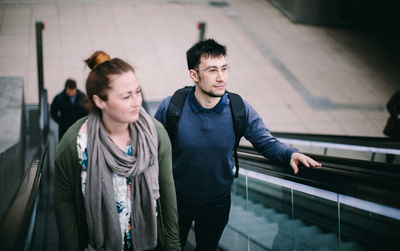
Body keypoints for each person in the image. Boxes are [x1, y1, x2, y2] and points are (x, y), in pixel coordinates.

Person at [154, 39, 322, 250]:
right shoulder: (172, 107)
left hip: (217, 202)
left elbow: (265, 141)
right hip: (176, 200)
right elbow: (152, 148)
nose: (221, 77)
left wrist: (290, 154)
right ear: (194, 75)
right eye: (212, 70)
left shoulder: (238, 109)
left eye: (224, 68)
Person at [54, 51, 181, 251]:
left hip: (150, 243)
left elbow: (167, 190)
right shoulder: (76, 143)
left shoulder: (155, 134)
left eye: (138, 92)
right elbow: (64, 200)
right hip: (97, 243)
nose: (136, 102)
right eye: (126, 96)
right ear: (99, 101)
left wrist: (173, 246)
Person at [384, 90, 400, 163]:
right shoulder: (399, 93)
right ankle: (389, 163)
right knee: (392, 145)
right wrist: (397, 115)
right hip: (397, 126)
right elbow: (389, 105)